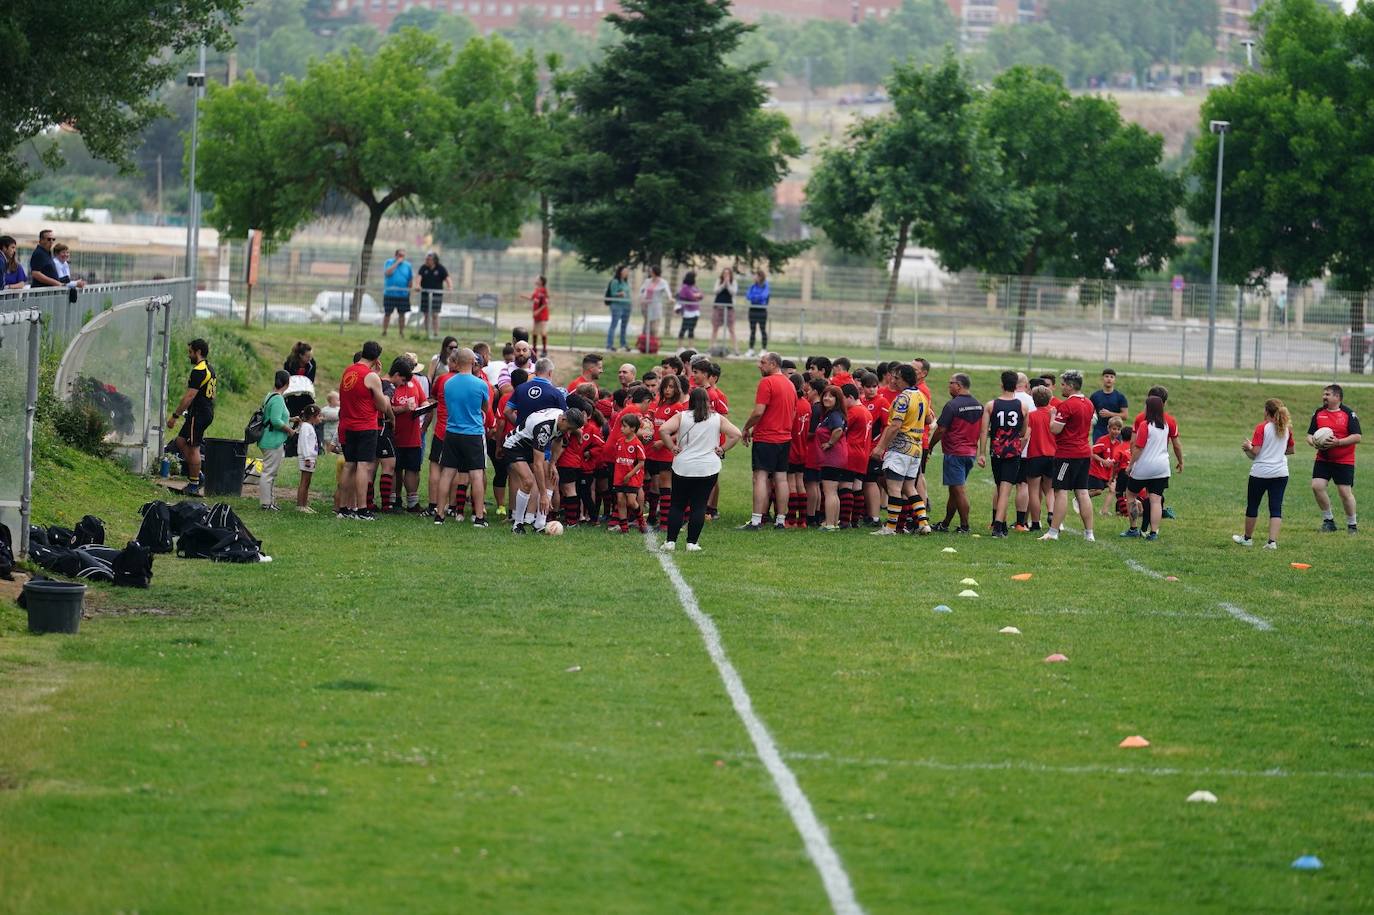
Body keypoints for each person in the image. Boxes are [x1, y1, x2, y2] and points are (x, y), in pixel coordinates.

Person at [658, 387, 743, 552]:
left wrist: (672, 447)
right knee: (699, 506)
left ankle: (670, 542)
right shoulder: (716, 418)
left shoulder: (682, 416)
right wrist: (723, 449)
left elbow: (663, 430)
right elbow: (736, 434)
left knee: (677, 505)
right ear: (707, 402)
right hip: (707, 468)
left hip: (683, 467)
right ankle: (692, 543)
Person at [337, 342, 394, 520]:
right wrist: (380, 383)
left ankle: (343, 508)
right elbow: (383, 406)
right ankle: (362, 509)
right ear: (377, 358)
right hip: (365, 426)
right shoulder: (371, 376)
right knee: (363, 466)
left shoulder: (348, 370)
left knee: (349, 465)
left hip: (347, 424)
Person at [434, 348, 491, 527]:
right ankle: (479, 517)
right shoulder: (480, 384)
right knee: (476, 474)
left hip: (452, 432)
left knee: (447, 473)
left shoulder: (448, 383)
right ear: (474, 362)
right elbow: (485, 407)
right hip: (473, 433)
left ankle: (440, 514)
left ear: (456, 362)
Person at [871, 364, 930, 535]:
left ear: (904, 379)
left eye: (896, 377)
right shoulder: (921, 395)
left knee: (894, 488)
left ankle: (890, 528)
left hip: (900, 448)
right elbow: (928, 418)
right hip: (916, 448)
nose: (893, 380)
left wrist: (880, 447)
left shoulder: (902, 398)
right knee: (910, 488)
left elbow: (895, 426)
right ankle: (923, 523)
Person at [506, 406, 585, 533]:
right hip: (515, 446)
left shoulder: (562, 420)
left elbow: (558, 440)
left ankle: (540, 524)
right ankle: (518, 524)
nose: (569, 432)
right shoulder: (544, 428)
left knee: (551, 476)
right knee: (528, 481)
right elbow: (537, 465)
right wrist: (543, 495)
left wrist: (553, 463)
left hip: (531, 445)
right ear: (563, 420)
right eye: (569, 428)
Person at [739, 352, 794, 531]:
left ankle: (756, 521)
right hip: (784, 438)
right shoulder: (790, 384)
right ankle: (780, 520)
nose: (759, 365)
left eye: (762, 362)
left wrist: (746, 428)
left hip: (767, 438)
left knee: (760, 477)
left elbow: (758, 412)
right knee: (781, 478)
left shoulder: (767, 382)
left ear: (773, 364)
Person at [1040, 370, 1097, 542]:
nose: (1062, 387)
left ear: (1071, 386)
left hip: (1067, 455)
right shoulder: (1089, 403)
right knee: (1082, 492)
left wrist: (1051, 416)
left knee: (1061, 491)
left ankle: (1053, 532)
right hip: (1084, 453)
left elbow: (1055, 429)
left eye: (1063, 384)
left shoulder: (1066, 406)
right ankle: (1089, 534)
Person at [1235, 398, 1295, 549]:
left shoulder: (1262, 427)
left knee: (1253, 505)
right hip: (1281, 473)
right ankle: (1272, 542)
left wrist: (1248, 446)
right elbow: (1290, 450)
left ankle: (1247, 539)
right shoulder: (1286, 429)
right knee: (1275, 507)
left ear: (1267, 412)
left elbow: (1256, 451)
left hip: (1261, 473)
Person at [929, 373, 981, 533]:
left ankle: (965, 526)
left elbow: (941, 430)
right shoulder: (979, 405)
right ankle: (945, 523)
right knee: (954, 490)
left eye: (950, 383)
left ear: (958, 385)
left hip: (955, 453)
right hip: (970, 453)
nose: (949, 386)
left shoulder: (952, 405)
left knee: (958, 490)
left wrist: (930, 446)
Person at [979, 371, 1028, 538]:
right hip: (1013, 452)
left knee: (1001, 489)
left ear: (1001, 385)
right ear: (1016, 386)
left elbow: (984, 430)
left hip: (996, 452)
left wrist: (982, 453)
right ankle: (998, 527)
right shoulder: (1023, 406)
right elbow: (1022, 432)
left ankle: (1001, 524)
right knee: (1005, 491)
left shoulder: (991, 405)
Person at [166, 338, 216, 496]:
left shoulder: (199, 371)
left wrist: (175, 416)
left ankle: (194, 483)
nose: (189, 355)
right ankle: (198, 474)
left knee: (194, 447)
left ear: (198, 352)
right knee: (180, 441)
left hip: (199, 414)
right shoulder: (209, 368)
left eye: (190, 352)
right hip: (202, 412)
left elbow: (189, 397)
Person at [1308, 383, 1361, 533]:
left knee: (1345, 493)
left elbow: (1357, 436)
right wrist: (1314, 442)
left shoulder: (1348, 414)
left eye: (1327, 394)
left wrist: (1338, 442)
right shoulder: (1318, 413)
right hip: (1323, 459)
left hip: (1344, 460)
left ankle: (1352, 525)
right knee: (1317, 486)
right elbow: (1309, 435)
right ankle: (1329, 521)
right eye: (1324, 394)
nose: (1324, 397)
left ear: (1337, 397)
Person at [647, 373, 689, 529]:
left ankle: (665, 523)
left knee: (666, 487)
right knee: (656, 486)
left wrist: (663, 441)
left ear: (677, 389)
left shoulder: (677, 407)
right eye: (665, 386)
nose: (667, 390)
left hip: (666, 452)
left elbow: (681, 432)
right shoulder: (659, 406)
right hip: (654, 451)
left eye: (671, 387)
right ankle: (653, 518)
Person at [1129, 395, 1173, 542]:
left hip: (1145, 466)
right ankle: (1153, 532)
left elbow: (1139, 448)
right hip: (1162, 467)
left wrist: (1130, 465)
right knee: (1156, 499)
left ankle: (1133, 528)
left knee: (1131, 494)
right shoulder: (1165, 425)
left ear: (1149, 408)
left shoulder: (1145, 425)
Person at [389, 358, 426, 512]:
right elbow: (386, 409)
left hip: (413, 435)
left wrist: (424, 407)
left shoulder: (415, 383)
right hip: (394, 435)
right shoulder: (388, 385)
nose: (404, 383)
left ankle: (412, 502)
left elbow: (423, 400)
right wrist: (403, 408)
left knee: (413, 469)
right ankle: (394, 500)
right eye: (403, 379)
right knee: (394, 469)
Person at [256, 370, 295, 511]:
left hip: (267, 438)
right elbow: (275, 421)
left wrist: (290, 419)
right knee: (269, 473)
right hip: (273, 440)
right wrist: (289, 430)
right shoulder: (278, 398)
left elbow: (271, 416)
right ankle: (266, 503)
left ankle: (269, 501)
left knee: (270, 472)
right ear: (287, 383)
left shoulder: (270, 395)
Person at [813, 385, 849, 531]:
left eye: (831, 396)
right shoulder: (833, 413)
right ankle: (833, 523)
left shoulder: (834, 414)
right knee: (833, 491)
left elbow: (838, 429)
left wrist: (829, 443)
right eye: (825, 395)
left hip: (833, 457)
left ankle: (829, 523)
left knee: (829, 491)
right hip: (837, 456)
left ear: (837, 399)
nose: (826, 398)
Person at [611, 413, 648, 533]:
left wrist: (629, 474)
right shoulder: (620, 442)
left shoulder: (637, 444)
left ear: (633, 428)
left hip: (632, 478)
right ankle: (624, 529)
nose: (621, 428)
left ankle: (641, 520)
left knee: (631, 501)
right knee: (620, 501)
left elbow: (641, 463)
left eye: (624, 426)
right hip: (619, 477)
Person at [295, 404, 322, 513]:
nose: (321, 418)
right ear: (312, 417)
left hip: (310, 457)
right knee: (304, 481)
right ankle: (300, 505)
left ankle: (304, 504)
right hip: (307, 458)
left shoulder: (308, 426)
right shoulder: (306, 427)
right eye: (319, 416)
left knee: (307, 481)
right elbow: (305, 443)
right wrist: (307, 457)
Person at [417, 252, 451, 338]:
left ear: (434, 260)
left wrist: (450, 287)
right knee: (426, 314)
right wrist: (417, 285)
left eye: (429, 259)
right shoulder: (423, 268)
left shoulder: (440, 268)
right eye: (426, 259)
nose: (427, 261)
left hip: (437, 295)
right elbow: (418, 278)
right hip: (425, 294)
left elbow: (447, 278)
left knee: (435, 314)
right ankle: (427, 333)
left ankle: (436, 333)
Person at [1090, 368, 1129, 441]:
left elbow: (1125, 416)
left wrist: (1110, 414)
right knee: (1097, 452)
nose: (1109, 379)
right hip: (1099, 431)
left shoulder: (1120, 397)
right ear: (1102, 378)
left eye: (1111, 377)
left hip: (1115, 432)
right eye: (1106, 376)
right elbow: (1089, 413)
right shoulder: (1095, 396)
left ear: (1115, 380)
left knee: (1114, 452)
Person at [381, 249, 412, 338]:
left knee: (402, 314)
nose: (401, 257)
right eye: (399, 255)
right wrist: (397, 263)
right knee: (387, 313)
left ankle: (401, 332)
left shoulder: (407, 265)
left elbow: (410, 279)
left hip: (403, 295)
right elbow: (387, 273)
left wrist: (409, 290)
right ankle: (384, 331)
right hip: (389, 294)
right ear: (395, 255)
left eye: (403, 255)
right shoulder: (389, 262)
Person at [639, 265, 671, 349]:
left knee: (654, 327)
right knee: (646, 326)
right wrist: (642, 299)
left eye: (651, 271)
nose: (650, 272)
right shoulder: (647, 281)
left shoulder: (663, 282)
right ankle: (644, 346)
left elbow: (667, 291)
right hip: (646, 306)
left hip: (656, 307)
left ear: (654, 272)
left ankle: (653, 346)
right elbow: (642, 290)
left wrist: (670, 298)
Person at [709, 267, 739, 355]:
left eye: (728, 273)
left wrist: (728, 284)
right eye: (724, 273)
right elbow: (715, 291)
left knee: (731, 329)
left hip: (729, 308)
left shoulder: (733, 282)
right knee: (715, 328)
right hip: (718, 307)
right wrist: (723, 284)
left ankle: (736, 349)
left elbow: (734, 292)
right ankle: (711, 347)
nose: (726, 275)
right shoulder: (719, 280)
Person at [605, 266, 633, 352]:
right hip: (617, 305)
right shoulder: (615, 281)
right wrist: (620, 294)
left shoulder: (625, 282)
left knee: (624, 326)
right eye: (625, 271)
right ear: (620, 272)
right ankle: (609, 345)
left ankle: (623, 344)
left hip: (627, 305)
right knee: (614, 324)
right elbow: (613, 293)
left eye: (627, 271)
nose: (627, 273)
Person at [745, 269, 770, 356]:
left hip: (762, 310)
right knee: (752, 330)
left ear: (760, 277)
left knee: (762, 330)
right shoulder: (752, 286)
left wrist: (755, 297)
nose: (754, 277)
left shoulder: (765, 286)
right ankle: (751, 349)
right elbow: (748, 296)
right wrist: (756, 298)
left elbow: (764, 296)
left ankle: (764, 349)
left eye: (756, 275)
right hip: (753, 310)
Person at [675, 271, 703, 340]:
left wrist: (697, 295)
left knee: (692, 329)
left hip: (695, 310)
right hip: (687, 311)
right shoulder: (685, 287)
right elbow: (691, 296)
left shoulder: (694, 287)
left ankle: (691, 346)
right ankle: (680, 346)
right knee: (684, 328)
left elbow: (701, 295)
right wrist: (696, 295)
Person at [528, 275, 551, 357]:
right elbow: (533, 298)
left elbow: (545, 303)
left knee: (542, 331)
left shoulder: (544, 291)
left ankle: (544, 350)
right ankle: (534, 349)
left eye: (538, 279)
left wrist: (538, 310)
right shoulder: (537, 290)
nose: (536, 280)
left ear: (541, 281)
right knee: (534, 331)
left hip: (542, 314)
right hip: (536, 314)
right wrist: (524, 296)